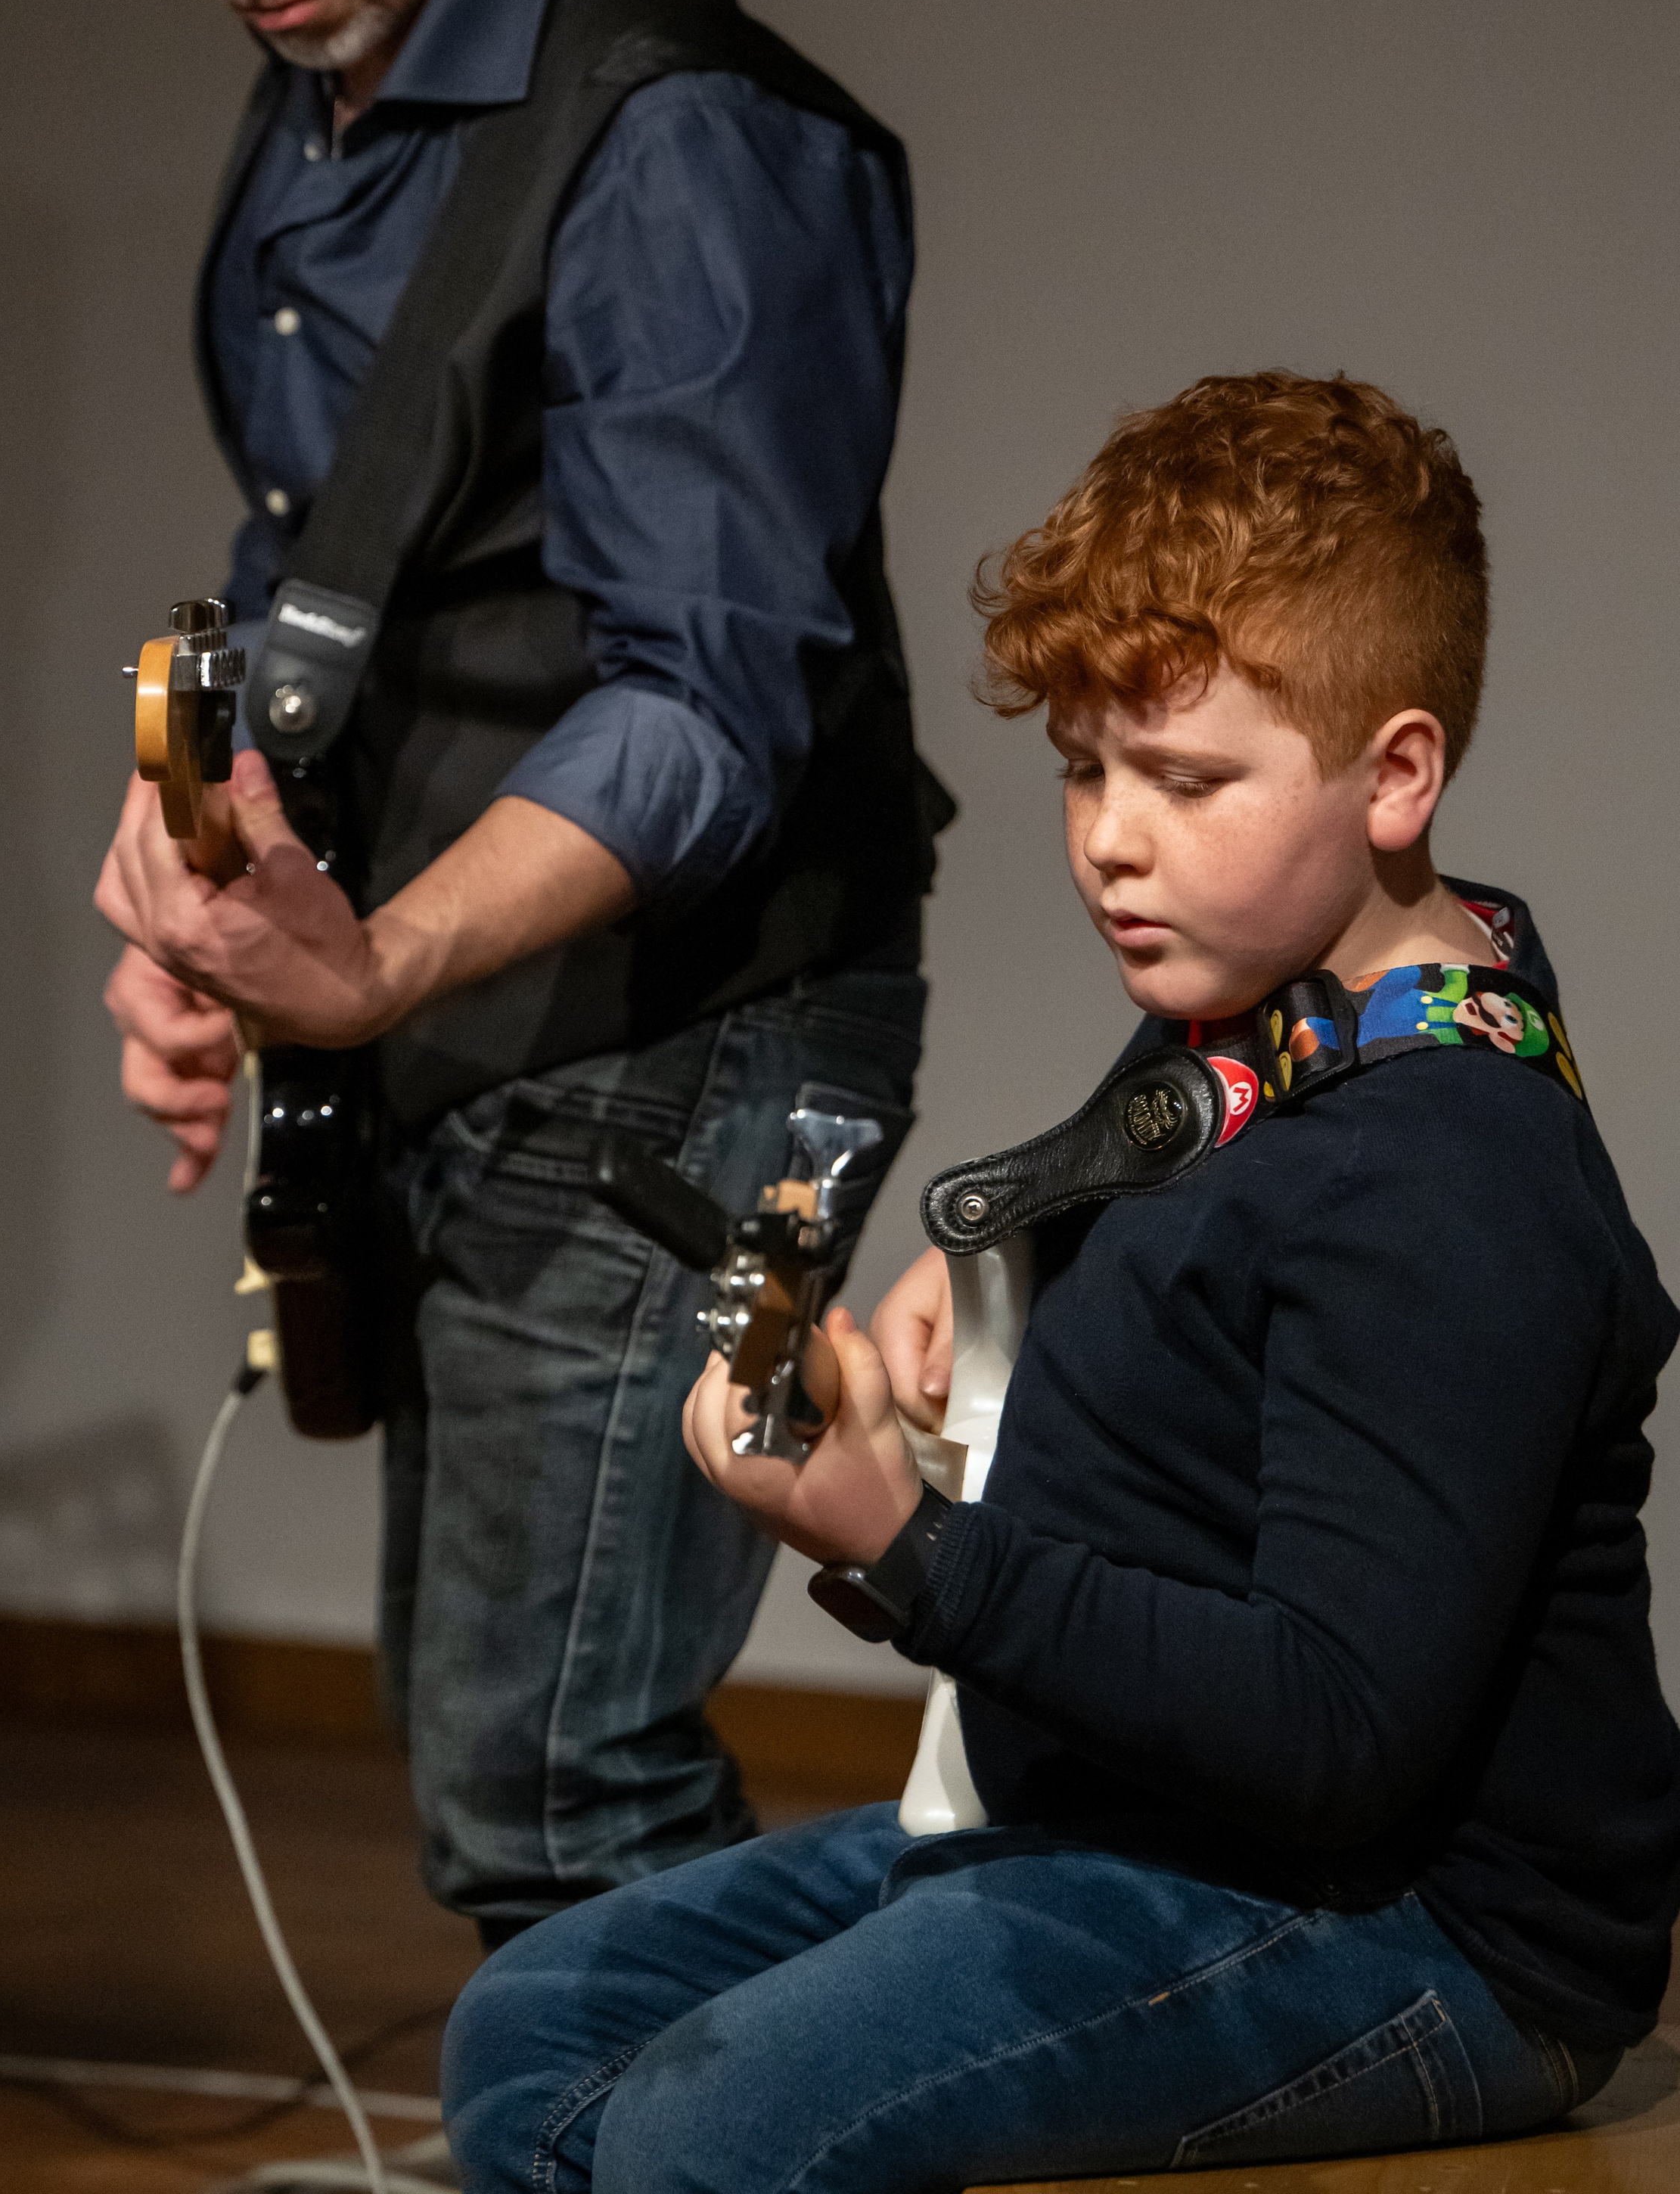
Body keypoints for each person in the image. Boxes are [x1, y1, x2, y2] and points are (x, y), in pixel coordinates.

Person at [443, 372, 1680, 2189]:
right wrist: (994, 1262)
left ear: (1396, 771)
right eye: (1086, 770)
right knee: (535, 2030)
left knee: (714, 2128)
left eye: (1184, 781)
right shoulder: (1271, 1004)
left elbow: (1335, 1733)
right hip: (1120, 1818)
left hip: (1416, 1928)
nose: (1109, 836)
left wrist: (902, 1546)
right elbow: (1196, 1207)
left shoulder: (1447, 1176)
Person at [92, 0, 943, 1938]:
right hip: (467, 1025)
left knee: (560, 1797)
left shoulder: (676, 129)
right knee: (493, 1769)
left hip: (688, 1026)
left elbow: (714, 712)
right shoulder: (335, 67)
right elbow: (330, 572)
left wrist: (364, 962)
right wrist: (190, 873)